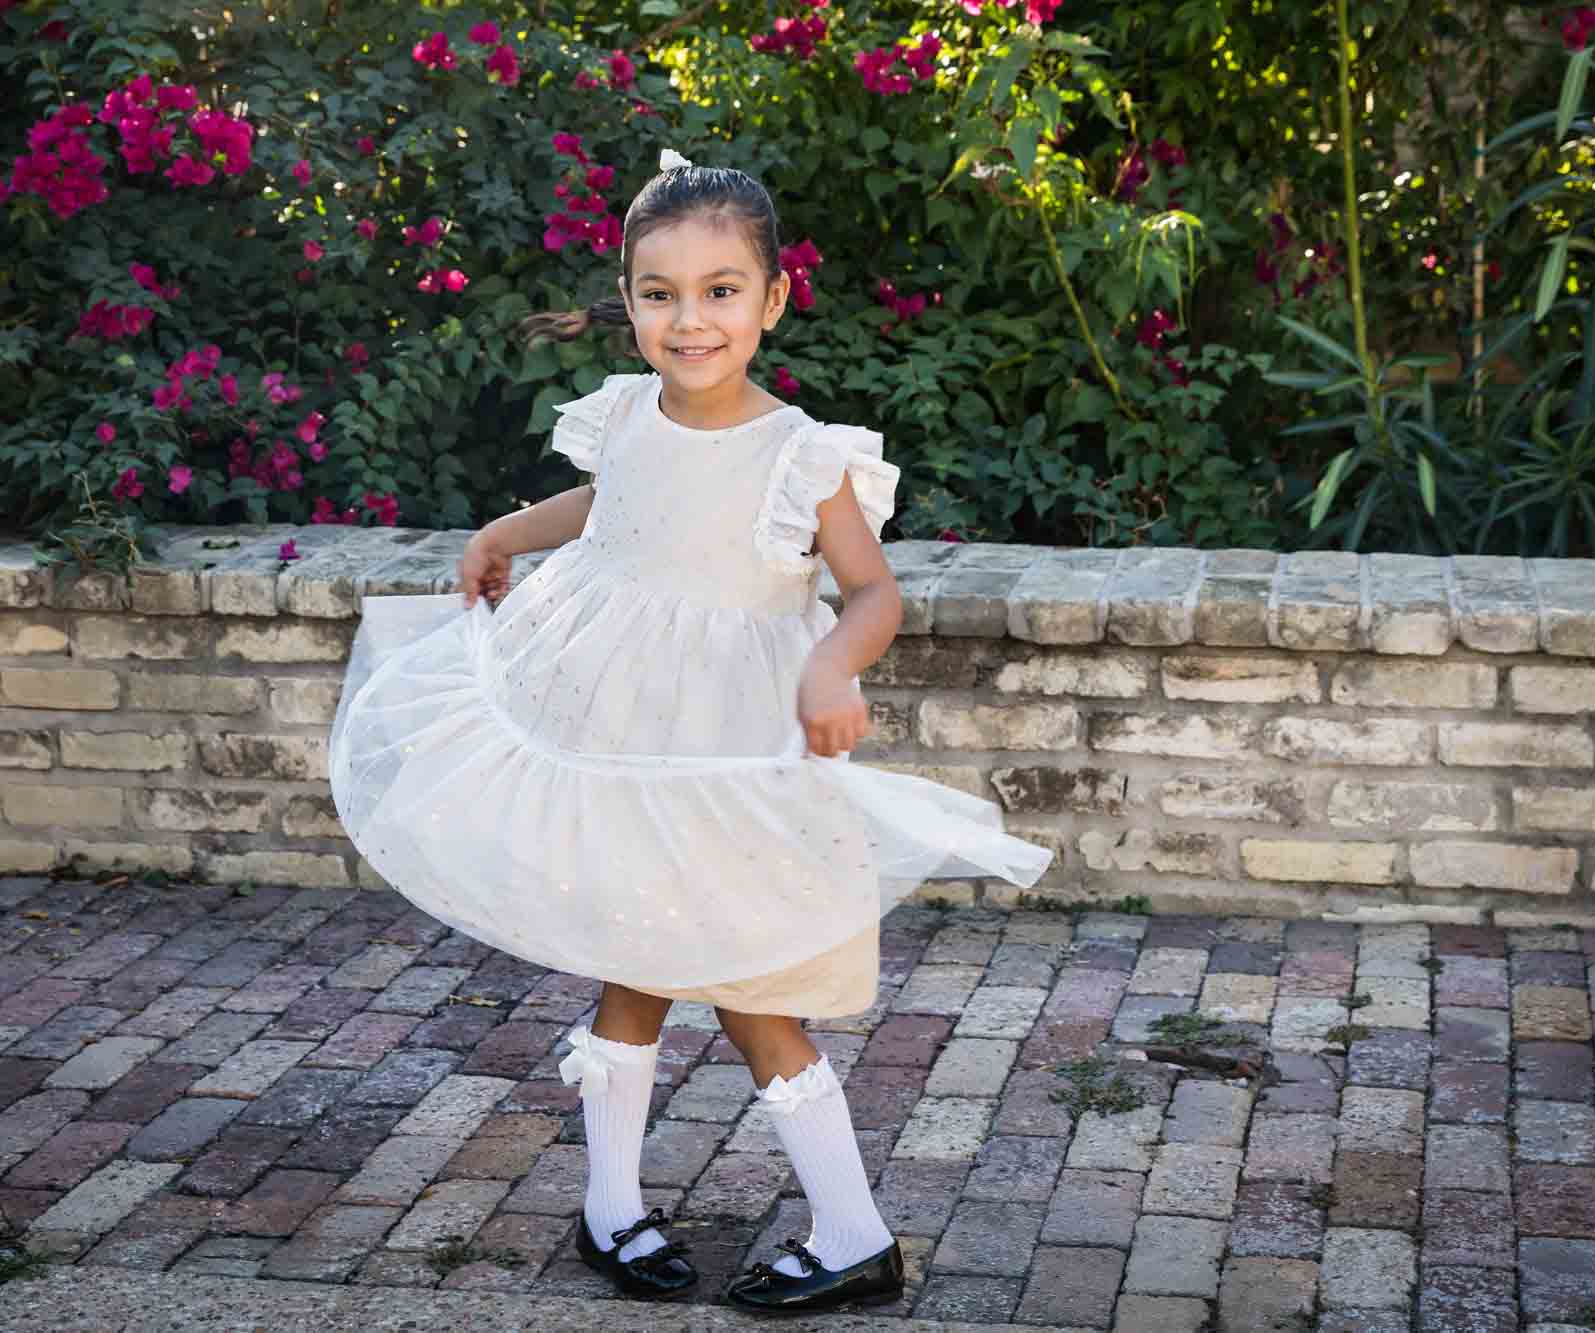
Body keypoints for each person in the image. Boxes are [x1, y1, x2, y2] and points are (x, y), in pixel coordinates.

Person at [328, 147, 1053, 1315]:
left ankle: (853, 1231)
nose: (689, 317)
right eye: (658, 292)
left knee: (751, 980)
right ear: (627, 304)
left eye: (720, 289)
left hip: (728, 748)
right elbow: (610, 503)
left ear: (769, 300)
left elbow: (872, 595)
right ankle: (610, 1206)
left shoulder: (799, 454)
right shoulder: (622, 414)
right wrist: (508, 529)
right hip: (613, 726)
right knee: (635, 961)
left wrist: (830, 663)